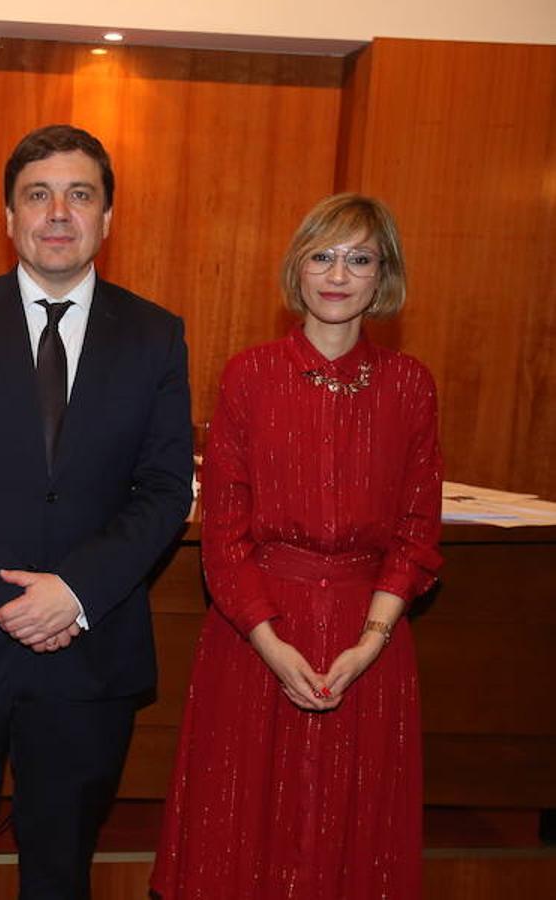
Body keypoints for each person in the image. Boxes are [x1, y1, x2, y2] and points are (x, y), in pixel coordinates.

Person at [0, 124, 194, 899]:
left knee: (61, 873)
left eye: (80, 194)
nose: (58, 212)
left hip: (88, 654)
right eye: (38, 195)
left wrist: (73, 593)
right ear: (8, 217)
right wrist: (5, 597)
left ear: (107, 219)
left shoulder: (156, 336)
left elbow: (164, 490)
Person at [150, 193, 443, 899]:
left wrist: (370, 643)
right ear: (298, 269)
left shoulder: (411, 386)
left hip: (366, 642)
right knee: (240, 826)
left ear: (383, 277)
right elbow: (223, 535)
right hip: (254, 636)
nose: (338, 274)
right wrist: (272, 644)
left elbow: (416, 533)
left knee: (352, 836)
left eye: (359, 258)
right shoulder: (248, 376)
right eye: (323, 255)